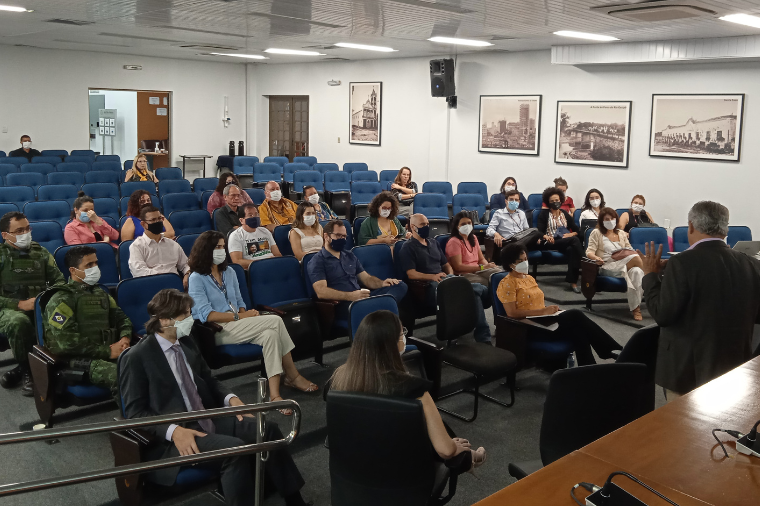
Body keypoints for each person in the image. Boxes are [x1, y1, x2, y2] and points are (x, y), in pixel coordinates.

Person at [120, 288, 311, 506]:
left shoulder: (186, 341)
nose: (191, 319)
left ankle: (295, 502)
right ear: (164, 320)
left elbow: (208, 380)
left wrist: (232, 399)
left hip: (206, 417)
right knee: (234, 451)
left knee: (267, 430)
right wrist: (173, 431)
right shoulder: (137, 357)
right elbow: (134, 413)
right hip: (178, 434)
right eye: (185, 315)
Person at [329, 310, 486, 478]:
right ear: (391, 345)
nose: (404, 337)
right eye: (401, 333)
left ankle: (468, 458)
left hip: (353, 469)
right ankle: (468, 458)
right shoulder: (413, 388)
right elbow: (445, 451)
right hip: (401, 474)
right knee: (439, 434)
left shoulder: (339, 377)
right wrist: (452, 446)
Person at [640, 201, 760, 399]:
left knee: (682, 419)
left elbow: (663, 314)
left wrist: (651, 276)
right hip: (736, 367)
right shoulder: (752, 264)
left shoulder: (682, 263)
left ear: (691, 226)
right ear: (725, 229)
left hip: (689, 371)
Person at [188, 231, 317, 414]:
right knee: (275, 320)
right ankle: (293, 375)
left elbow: (239, 302)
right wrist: (242, 317)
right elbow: (207, 315)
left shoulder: (229, 271)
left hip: (239, 323)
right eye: (217, 247)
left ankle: (275, 396)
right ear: (205, 249)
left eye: (222, 247)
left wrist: (244, 315)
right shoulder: (196, 278)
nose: (221, 251)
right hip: (217, 330)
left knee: (271, 335)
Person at [498, 243, 622, 366]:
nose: (525, 262)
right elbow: (512, 313)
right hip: (529, 328)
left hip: (544, 321)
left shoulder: (529, 278)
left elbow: (535, 303)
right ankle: (609, 349)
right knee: (575, 314)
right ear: (510, 264)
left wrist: (551, 310)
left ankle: (589, 368)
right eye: (520, 261)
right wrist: (542, 311)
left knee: (579, 330)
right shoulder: (507, 283)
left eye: (526, 259)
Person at [43, 246, 132, 396]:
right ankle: (134, 411)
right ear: (73, 270)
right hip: (79, 360)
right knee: (125, 376)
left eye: (96, 263)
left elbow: (122, 319)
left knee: (151, 366)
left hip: (108, 351)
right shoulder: (62, 298)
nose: (95, 268)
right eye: (89, 265)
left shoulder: (100, 293)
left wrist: (125, 338)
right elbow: (66, 342)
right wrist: (107, 351)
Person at [0, 212, 65, 396]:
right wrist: (19, 304)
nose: (25, 233)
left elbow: (60, 282)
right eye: (19, 230)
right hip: (8, 309)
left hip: (40, 306)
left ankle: (60, 364)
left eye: (27, 229)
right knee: (19, 322)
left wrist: (48, 299)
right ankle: (27, 369)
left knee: (63, 316)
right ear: (5, 235)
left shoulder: (41, 252)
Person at [399, 214, 491, 343]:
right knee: (474, 290)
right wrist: (433, 277)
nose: (426, 227)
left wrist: (450, 275)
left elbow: (446, 264)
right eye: (422, 225)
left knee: (472, 291)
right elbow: (411, 274)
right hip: (427, 286)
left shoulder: (433, 242)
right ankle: (482, 336)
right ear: (413, 227)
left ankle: (482, 335)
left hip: (445, 279)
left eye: (427, 224)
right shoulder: (408, 247)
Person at [308, 220, 408, 324]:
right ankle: (384, 307)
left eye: (344, 236)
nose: (342, 239)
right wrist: (350, 296)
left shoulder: (349, 255)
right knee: (382, 309)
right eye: (338, 235)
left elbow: (367, 279)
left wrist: (382, 283)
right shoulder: (317, 261)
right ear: (326, 236)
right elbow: (321, 291)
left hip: (361, 297)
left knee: (400, 285)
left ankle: (382, 306)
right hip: (344, 304)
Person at [586, 209, 645, 321]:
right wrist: (596, 258)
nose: (610, 221)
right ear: (602, 221)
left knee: (637, 272)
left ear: (616, 220)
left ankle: (636, 308)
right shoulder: (596, 233)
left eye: (612, 219)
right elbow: (589, 252)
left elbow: (630, 250)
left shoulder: (621, 233)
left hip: (624, 263)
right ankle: (651, 274)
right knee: (635, 258)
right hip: (607, 265)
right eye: (607, 219)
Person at [128, 206, 190, 287]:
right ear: (143, 224)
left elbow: (185, 264)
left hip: (174, 286)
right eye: (153, 220)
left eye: (159, 219)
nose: (157, 222)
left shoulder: (173, 244)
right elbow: (139, 272)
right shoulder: (137, 246)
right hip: (151, 285)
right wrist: (165, 277)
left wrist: (187, 274)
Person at [537, 187, 583, 292]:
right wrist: (546, 237)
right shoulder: (544, 214)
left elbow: (577, 230)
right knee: (575, 240)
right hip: (550, 242)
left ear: (561, 200)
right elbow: (539, 231)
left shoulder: (564, 214)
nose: (555, 202)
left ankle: (573, 282)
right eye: (552, 201)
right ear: (548, 202)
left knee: (572, 250)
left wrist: (571, 234)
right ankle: (584, 263)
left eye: (557, 200)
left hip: (564, 241)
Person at [446, 211, 501, 285]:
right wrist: (483, 267)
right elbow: (458, 267)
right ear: (457, 226)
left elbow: (481, 259)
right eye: (463, 224)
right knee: (487, 282)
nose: (467, 226)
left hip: (478, 270)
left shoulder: (474, 238)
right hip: (464, 274)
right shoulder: (454, 241)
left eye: (469, 223)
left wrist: (489, 267)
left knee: (499, 275)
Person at [228, 204, 281, 268]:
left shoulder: (265, 231)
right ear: (241, 220)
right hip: (255, 268)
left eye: (256, 214)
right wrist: (261, 263)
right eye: (250, 215)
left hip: (272, 265)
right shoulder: (235, 236)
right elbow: (237, 261)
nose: (254, 217)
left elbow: (277, 254)